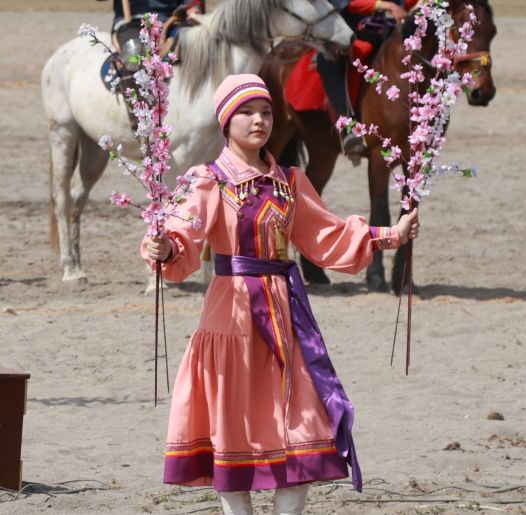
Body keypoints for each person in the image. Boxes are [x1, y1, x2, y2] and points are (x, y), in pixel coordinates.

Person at [140, 74, 419, 515]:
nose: (259, 121)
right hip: (231, 318)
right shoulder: (206, 181)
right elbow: (181, 235)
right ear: (225, 121)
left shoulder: (290, 181)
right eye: (247, 112)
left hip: (287, 319)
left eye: (267, 112)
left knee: (304, 431)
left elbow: (327, 235)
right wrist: (164, 247)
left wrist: (392, 235)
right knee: (233, 430)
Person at [309, 0, 448, 162]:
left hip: (376, 27)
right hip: (337, 27)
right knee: (329, 60)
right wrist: (385, 6)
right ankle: (348, 127)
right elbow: (347, 0)